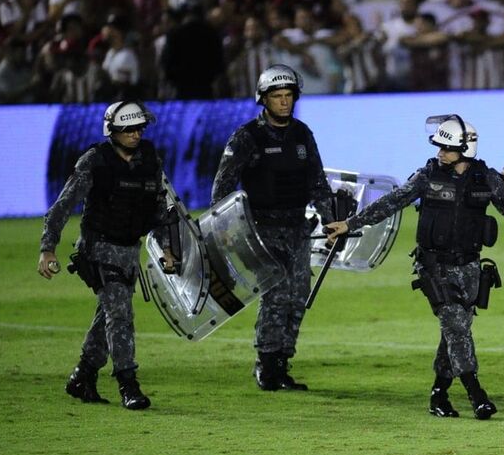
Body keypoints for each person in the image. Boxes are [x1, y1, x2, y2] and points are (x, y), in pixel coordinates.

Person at [324, 116, 504, 420]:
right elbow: (392, 202)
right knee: (456, 326)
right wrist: (350, 223)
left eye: (447, 148)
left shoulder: (488, 178)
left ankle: (439, 395)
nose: (440, 153)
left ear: (466, 149)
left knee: (454, 332)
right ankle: (477, 395)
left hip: (471, 267)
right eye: (439, 147)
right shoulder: (427, 176)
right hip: (434, 266)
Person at [38, 101, 177, 410]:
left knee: (110, 314)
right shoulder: (95, 162)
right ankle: (128, 384)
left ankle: (83, 376)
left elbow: (160, 207)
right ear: (112, 131)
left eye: (139, 128)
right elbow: (63, 205)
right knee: (120, 315)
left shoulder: (150, 160)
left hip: (130, 250)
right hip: (98, 249)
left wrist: (167, 247)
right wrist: (48, 248)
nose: (135, 134)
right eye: (128, 129)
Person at [211, 64, 335, 391]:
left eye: (288, 95)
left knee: (298, 297)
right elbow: (222, 187)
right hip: (261, 230)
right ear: (263, 99)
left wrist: (331, 218)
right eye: (277, 96)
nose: (284, 102)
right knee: (276, 295)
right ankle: (266, 365)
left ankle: (282, 363)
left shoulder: (302, 134)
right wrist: (223, 228)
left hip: (298, 227)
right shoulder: (246, 137)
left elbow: (318, 182)